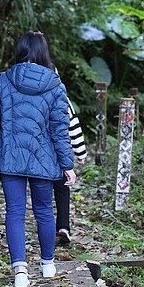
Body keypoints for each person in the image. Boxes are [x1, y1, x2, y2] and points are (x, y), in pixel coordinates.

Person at [0, 31, 76, 287]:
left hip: (10, 156)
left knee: (15, 211)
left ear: (20, 50)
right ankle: (48, 266)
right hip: (43, 159)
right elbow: (60, 130)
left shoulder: (2, 81)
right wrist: (67, 165)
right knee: (45, 211)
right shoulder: (56, 85)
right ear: (43, 52)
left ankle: (20, 273)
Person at [54, 96, 87, 244]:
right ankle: (63, 226)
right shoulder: (61, 97)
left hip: (37, 154)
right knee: (62, 188)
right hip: (59, 154)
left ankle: (46, 228)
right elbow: (73, 125)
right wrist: (80, 153)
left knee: (42, 194)